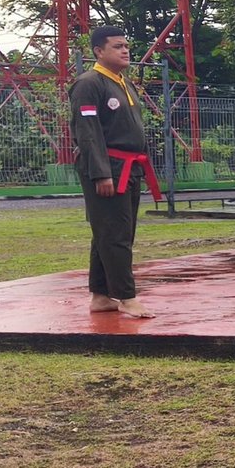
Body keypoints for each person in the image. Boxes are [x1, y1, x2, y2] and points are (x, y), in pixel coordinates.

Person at [69, 25, 155, 318]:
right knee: (115, 234)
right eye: (117, 46)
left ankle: (101, 295)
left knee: (112, 233)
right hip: (109, 167)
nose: (125, 50)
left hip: (130, 167)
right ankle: (127, 297)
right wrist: (101, 173)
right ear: (99, 51)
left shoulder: (124, 82)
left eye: (126, 45)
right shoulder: (89, 83)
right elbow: (88, 131)